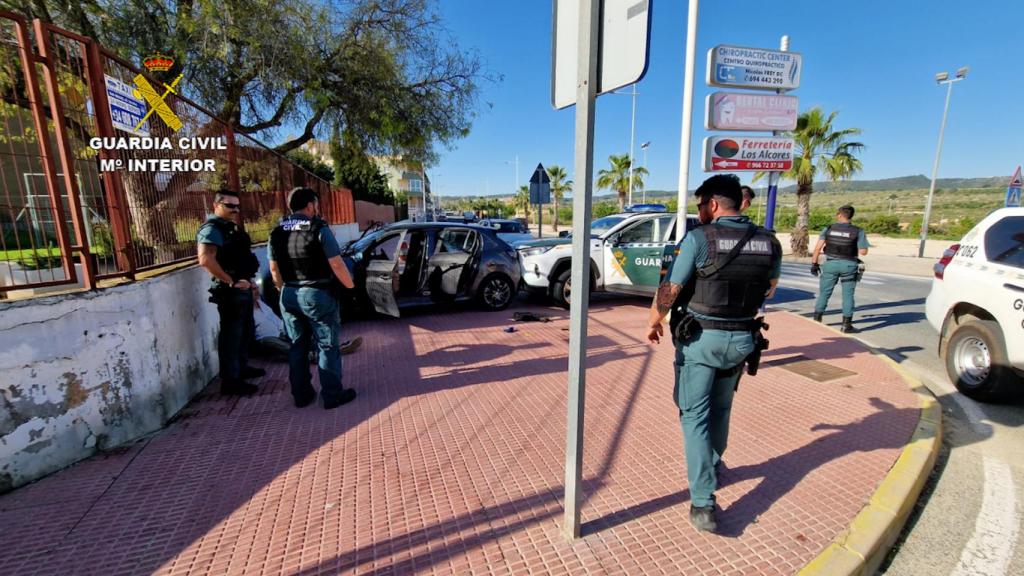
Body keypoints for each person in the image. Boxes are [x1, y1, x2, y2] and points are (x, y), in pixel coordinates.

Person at [646, 174, 781, 533]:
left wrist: (654, 322)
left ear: (715, 205)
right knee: (721, 408)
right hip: (741, 341)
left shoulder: (699, 239)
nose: (700, 211)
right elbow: (769, 287)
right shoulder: (769, 242)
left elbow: (670, 289)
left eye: (702, 205)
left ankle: (703, 503)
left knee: (693, 415)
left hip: (701, 342)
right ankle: (714, 464)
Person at [268, 187, 358, 409]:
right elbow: (336, 263)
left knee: (297, 346)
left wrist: (283, 291)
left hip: (289, 294)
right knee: (326, 346)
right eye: (315, 205)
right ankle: (332, 394)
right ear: (310, 205)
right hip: (317, 294)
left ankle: (301, 395)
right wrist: (351, 286)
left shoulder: (277, 231)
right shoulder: (319, 228)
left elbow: (273, 268)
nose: (316, 209)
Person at [196, 189, 264, 396]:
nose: (235, 210)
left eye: (237, 206)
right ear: (216, 205)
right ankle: (231, 382)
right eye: (230, 206)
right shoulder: (212, 229)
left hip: (242, 287)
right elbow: (205, 259)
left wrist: (249, 283)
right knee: (231, 337)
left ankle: (242, 369)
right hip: (230, 292)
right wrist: (231, 282)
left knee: (245, 332)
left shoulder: (230, 228)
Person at [810, 205, 869, 333]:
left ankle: (816, 319)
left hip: (830, 264)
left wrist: (814, 264)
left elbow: (817, 248)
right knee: (848, 295)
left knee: (824, 293)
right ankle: (846, 325)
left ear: (839, 215)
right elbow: (863, 252)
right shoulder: (858, 231)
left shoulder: (829, 228)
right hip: (849, 265)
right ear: (851, 216)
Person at [252, 298, 363, 358]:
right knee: (277, 344)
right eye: (253, 289)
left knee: (303, 337)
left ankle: (335, 347)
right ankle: (314, 356)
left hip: (281, 331)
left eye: (256, 287)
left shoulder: (261, 303)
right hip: (266, 338)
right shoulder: (247, 312)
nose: (256, 290)